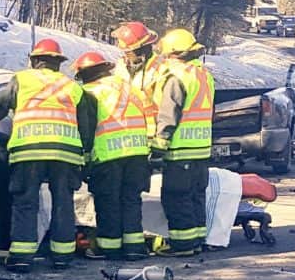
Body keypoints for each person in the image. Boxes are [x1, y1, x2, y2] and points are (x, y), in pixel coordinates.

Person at [0, 39, 91, 272]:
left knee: (25, 202)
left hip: (29, 151)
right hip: (66, 154)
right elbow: (86, 126)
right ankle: (63, 257)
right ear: (58, 62)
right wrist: (85, 153)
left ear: (34, 60)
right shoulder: (72, 87)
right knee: (63, 203)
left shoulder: (22, 79)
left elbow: (0, 106)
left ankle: (21, 257)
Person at [73, 51, 152, 261]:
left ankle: (109, 247)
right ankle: (134, 247)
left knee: (108, 202)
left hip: (109, 155)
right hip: (137, 152)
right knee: (131, 200)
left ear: (84, 74)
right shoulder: (126, 86)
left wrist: (85, 159)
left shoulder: (90, 92)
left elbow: (87, 130)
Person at [149, 28, 215, 257]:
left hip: (180, 151)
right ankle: (197, 240)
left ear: (173, 53)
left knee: (177, 197)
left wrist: (158, 146)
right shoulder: (203, 74)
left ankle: (183, 245)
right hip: (201, 150)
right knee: (196, 196)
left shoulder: (176, 77)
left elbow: (169, 115)